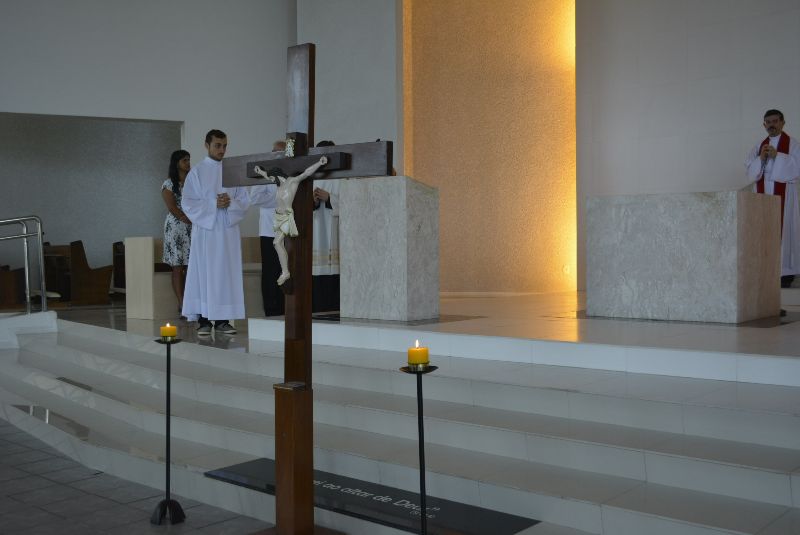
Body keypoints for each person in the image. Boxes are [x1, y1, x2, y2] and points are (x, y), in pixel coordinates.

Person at [181, 130, 249, 336]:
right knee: (204, 273)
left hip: (228, 231)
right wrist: (213, 204)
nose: (222, 150)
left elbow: (244, 200)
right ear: (207, 145)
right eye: (217, 145)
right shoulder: (197, 172)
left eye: (224, 146)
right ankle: (203, 320)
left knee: (225, 274)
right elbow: (188, 203)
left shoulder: (233, 171)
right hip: (206, 233)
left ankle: (222, 321)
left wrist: (230, 203)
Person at [745, 109, 800, 288]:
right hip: (762, 194)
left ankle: (785, 272)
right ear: (764, 125)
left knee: (785, 229)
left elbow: (797, 167)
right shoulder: (758, 146)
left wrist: (778, 156)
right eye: (768, 122)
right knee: (764, 231)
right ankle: (766, 270)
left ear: (783, 122)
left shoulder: (793, 144)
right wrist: (760, 159)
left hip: (784, 193)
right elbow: (750, 172)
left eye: (775, 121)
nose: (771, 125)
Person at [253, 156, 329, 285]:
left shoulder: (292, 182)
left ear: (278, 176)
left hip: (287, 216)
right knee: (278, 244)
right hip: (278, 216)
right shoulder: (278, 183)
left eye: (274, 179)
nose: (272, 181)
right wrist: (260, 171)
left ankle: (285, 272)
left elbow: (306, 173)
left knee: (277, 243)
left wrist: (319, 163)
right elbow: (267, 176)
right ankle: (285, 271)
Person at [248, 140, 286, 316]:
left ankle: (286, 307)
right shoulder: (263, 173)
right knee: (271, 271)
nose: (277, 155)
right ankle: (271, 310)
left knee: (286, 270)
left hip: (288, 229)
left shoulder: (291, 173)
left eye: (281, 153)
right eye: (275, 152)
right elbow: (255, 199)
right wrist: (281, 198)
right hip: (269, 230)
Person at [160, 150, 192, 311]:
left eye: (189, 160)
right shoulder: (169, 183)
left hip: (193, 227)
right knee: (178, 266)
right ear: (177, 163)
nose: (188, 163)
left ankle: (191, 302)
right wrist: (185, 217)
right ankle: (182, 303)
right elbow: (172, 207)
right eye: (185, 160)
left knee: (190, 266)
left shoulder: (193, 182)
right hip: (176, 227)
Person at [311, 140, 341, 312]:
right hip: (316, 233)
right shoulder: (310, 178)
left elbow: (351, 204)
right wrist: (313, 201)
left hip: (335, 232)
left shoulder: (342, 178)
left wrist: (329, 198)